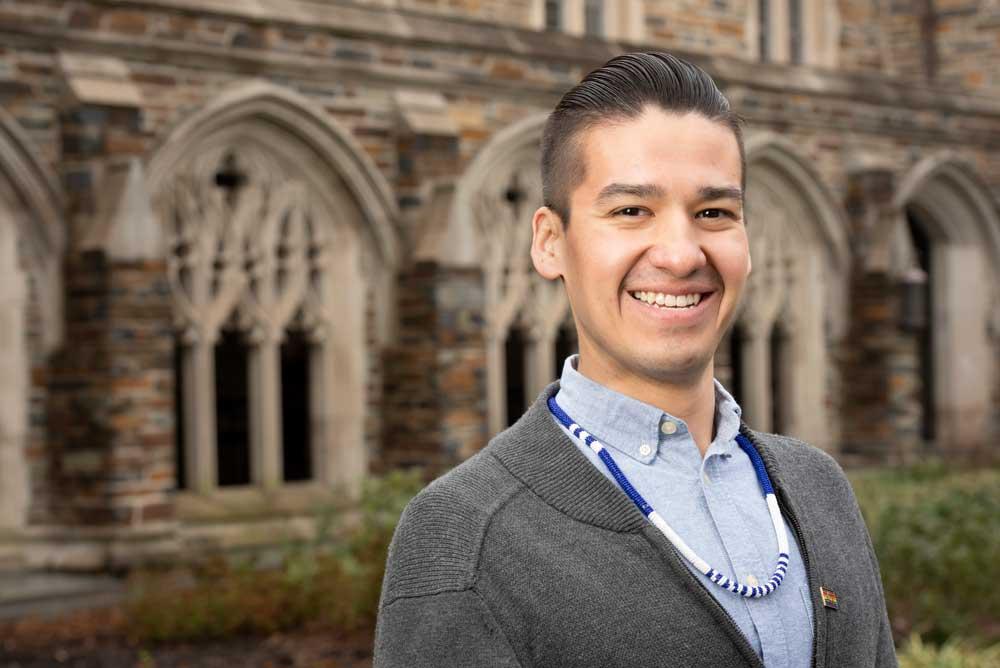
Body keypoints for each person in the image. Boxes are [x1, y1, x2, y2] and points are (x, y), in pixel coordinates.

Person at [374, 52, 896, 668]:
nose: (681, 255)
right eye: (630, 211)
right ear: (550, 242)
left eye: (714, 213)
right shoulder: (462, 533)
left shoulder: (818, 487)